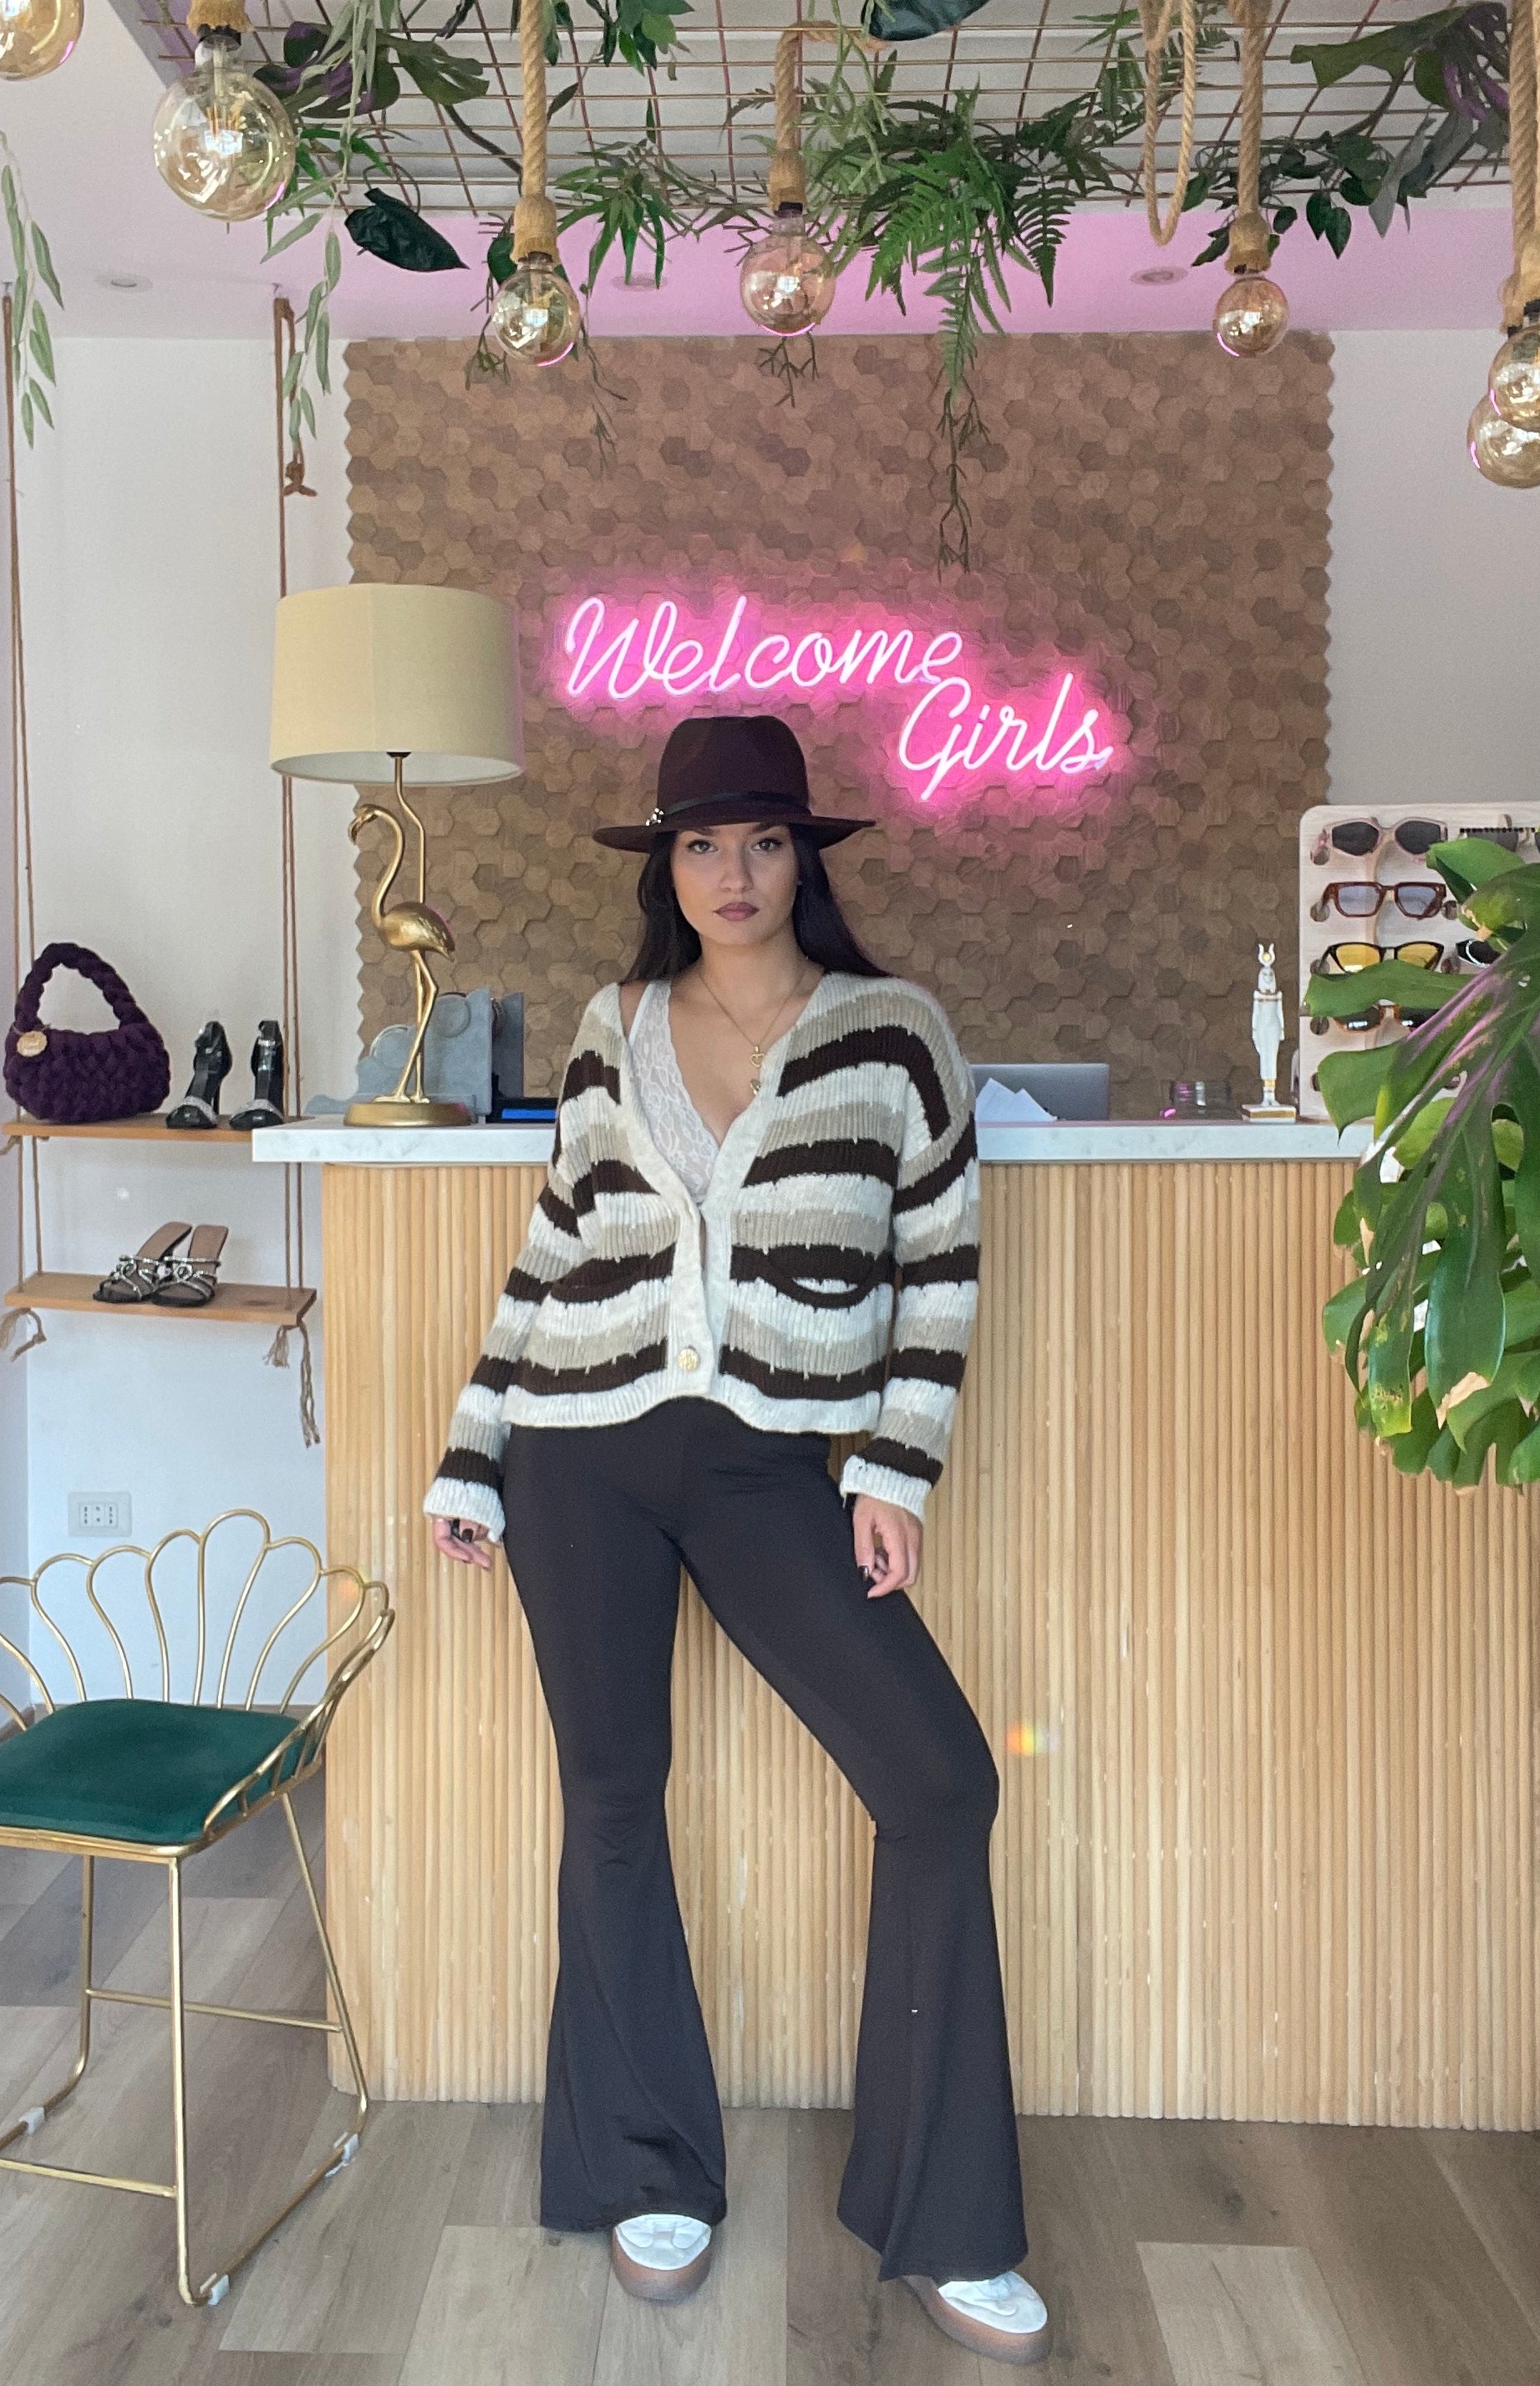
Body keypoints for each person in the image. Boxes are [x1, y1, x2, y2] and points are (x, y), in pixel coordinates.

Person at [424, 714, 1047, 2367]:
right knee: (613, 1798)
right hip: (580, 1456)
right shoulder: (612, 1024)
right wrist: (476, 1453)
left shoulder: (894, 1034)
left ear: (804, 857)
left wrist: (895, 1471)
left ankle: (942, 2213)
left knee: (941, 1782)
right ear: (668, 866)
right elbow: (553, 1251)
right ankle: (648, 2168)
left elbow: (940, 1265)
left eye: (764, 840)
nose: (734, 873)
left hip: (775, 1472)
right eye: (702, 844)